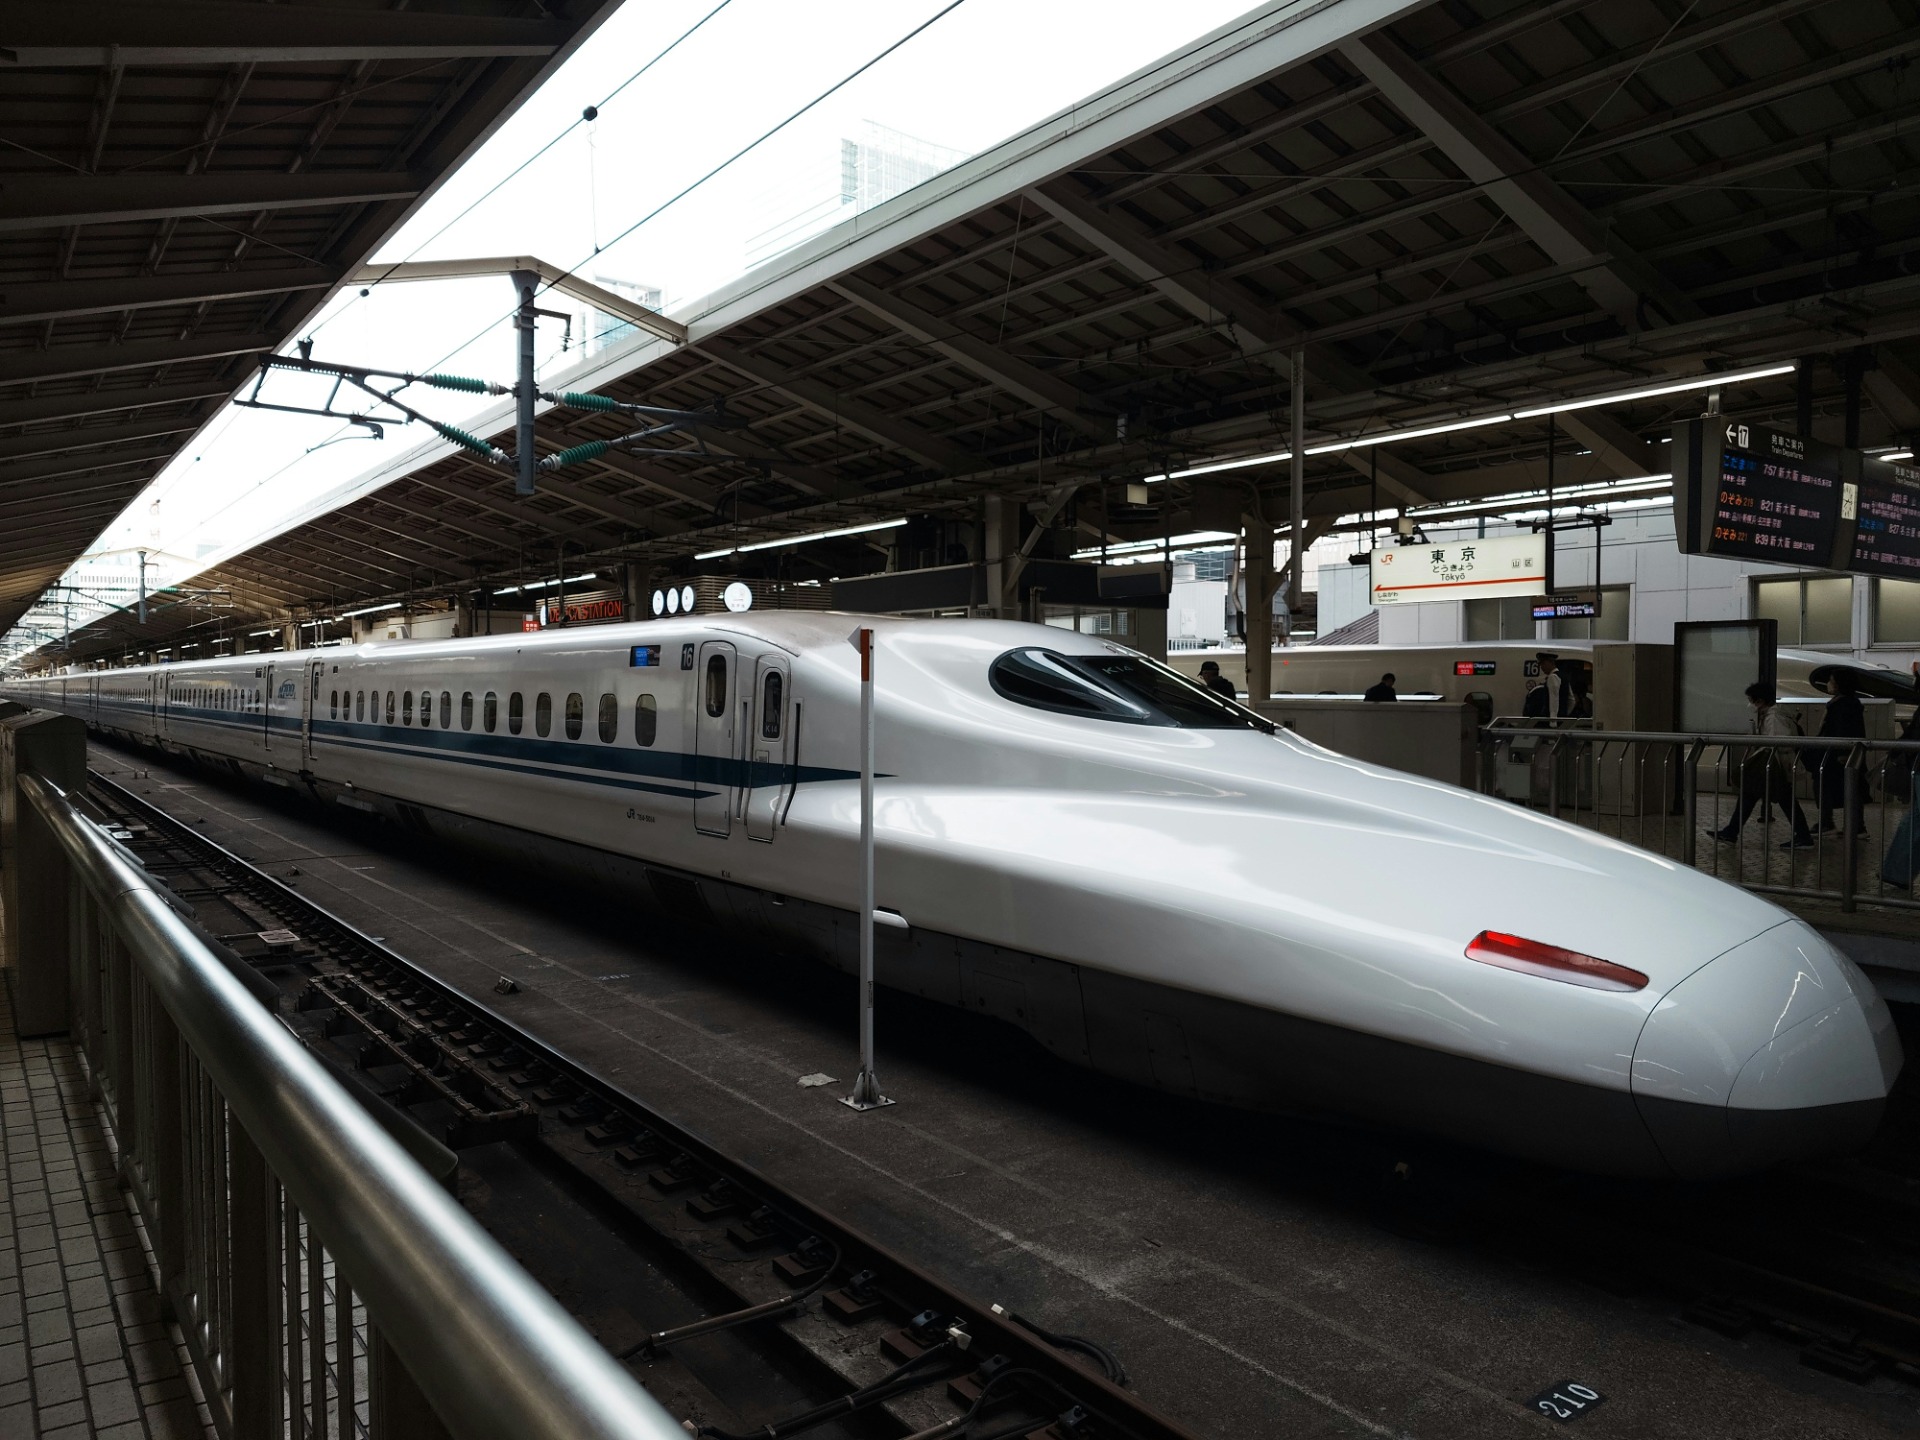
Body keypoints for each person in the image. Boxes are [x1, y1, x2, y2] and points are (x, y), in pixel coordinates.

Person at [1715, 681, 1814, 849]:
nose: (1750, 704)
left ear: (1760, 700)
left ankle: (1804, 837)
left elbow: (1778, 741)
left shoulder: (1774, 717)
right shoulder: (1772, 715)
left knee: (1780, 800)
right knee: (1753, 795)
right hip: (1774, 767)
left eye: (1751, 700)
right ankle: (1731, 832)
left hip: (1775, 767)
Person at [1803, 670, 1867, 836]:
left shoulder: (1843, 705)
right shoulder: (1849, 702)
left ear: (1839, 684)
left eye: (1831, 680)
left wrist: (1842, 753)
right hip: (1837, 754)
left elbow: (1841, 731)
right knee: (1850, 788)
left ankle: (1829, 823)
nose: (1828, 684)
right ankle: (1855, 826)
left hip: (1836, 755)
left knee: (1828, 786)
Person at [1522, 653, 1580, 719]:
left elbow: (1553, 700)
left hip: (1551, 720)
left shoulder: (1552, 677)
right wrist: (1564, 714)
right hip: (1562, 719)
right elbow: (1572, 700)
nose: (1541, 667)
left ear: (1551, 662)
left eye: (1543, 664)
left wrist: (1553, 720)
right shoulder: (1563, 676)